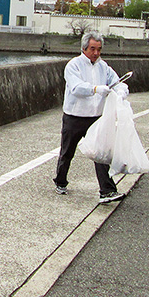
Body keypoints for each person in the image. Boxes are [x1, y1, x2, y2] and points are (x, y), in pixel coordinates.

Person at [53, 32, 129, 204]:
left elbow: (116, 81)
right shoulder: (74, 65)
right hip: (74, 116)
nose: (96, 53)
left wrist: (122, 90)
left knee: (100, 153)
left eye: (99, 49)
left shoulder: (104, 67)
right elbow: (76, 88)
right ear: (84, 48)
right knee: (67, 151)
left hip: (95, 117)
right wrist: (95, 89)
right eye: (92, 49)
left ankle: (107, 191)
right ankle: (60, 181)